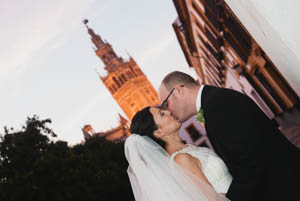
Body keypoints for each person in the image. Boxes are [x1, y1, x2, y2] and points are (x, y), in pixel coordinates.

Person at [158, 71, 300, 201]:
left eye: (166, 104)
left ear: (178, 91)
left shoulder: (217, 106)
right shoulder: (214, 101)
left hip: (286, 188)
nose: (168, 111)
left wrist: (229, 198)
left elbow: (253, 163)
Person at [125, 106, 232, 201]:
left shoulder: (187, 149)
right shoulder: (181, 159)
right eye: (162, 114)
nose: (168, 112)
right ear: (159, 132)